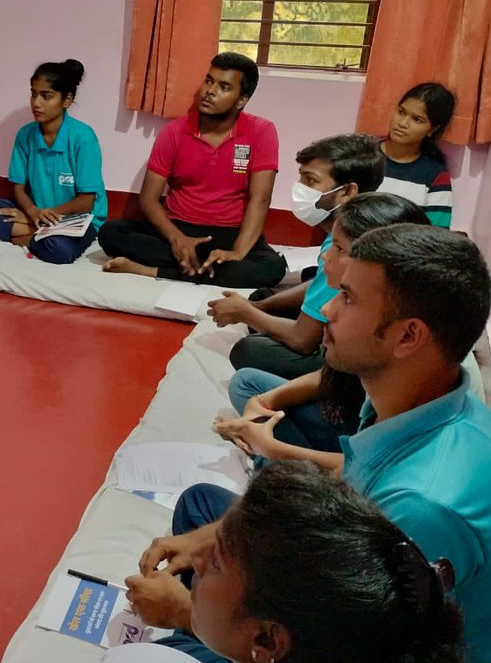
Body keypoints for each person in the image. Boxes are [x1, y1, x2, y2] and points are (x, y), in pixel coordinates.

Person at [131, 225, 491, 663]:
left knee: (167, 655)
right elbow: (349, 486)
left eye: (348, 298)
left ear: (407, 336)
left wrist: (190, 616)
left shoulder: (420, 509)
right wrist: (208, 544)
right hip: (355, 608)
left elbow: (341, 659)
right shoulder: (424, 401)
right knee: (201, 506)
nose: (326, 308)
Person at [147, 460, 483, 663]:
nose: (198, 558)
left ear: (267, 639)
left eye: (217, 562)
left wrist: (182, 612)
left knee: (165, 657)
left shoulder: (423, 508)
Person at [213, 192, 430, 470]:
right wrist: (266, 400)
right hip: (348, 417)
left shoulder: (404, 355)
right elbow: (333, 373)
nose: (326, 255)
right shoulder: (375, 310)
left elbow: (375, 468)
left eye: (339, 248)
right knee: (247, 384)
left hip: (359, 454)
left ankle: (279, 466)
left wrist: (274, 449)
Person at [98, 53, 285, 288]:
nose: (210, 91)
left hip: (229, 233)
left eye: (224, 87)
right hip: (177, 228)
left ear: (241, 100)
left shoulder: (261, 132)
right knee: (110, 232)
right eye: (209, 81)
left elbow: (260, 198)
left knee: (273, 268)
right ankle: (199, 265)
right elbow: (148, 199)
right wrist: (178, 239)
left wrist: (237, 252)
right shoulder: (174, 132)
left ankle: (151, 270)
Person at [206, 133, 385, 379]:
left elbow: (302, 340)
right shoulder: (346, 228)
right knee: (264, 297)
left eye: (310, 181)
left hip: (346, 355)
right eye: (301, 178)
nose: (300, 189)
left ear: (347, 192)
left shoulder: (351, 242)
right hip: (334, 321)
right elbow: (321, 284)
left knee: (247, 351)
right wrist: (259, 306)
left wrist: (246, 312)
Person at [0, 59, 107, 264]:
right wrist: (32, 211)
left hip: (76, 217)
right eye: (33, 94)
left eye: (46, 96)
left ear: (66, 100)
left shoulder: (83, 138)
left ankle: (26, 234)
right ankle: (35, 232)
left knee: (59, 251)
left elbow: (86, 202)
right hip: (34, 210)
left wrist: (39, 218)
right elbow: (18, 187)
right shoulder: (25, 135)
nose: (36, 103)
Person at [376, 82, 455, 228]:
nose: (403, 123)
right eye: (401, 112)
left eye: (417, 119)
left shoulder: (435, 175)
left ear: (432, 130)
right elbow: (339, 218)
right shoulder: (362, 156)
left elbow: (436, 235)